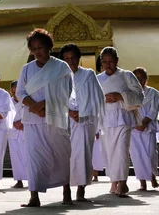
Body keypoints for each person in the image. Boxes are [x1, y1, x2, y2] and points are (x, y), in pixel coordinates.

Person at [16, 29, 73, 208]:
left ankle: (66, 190)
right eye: (33, 49)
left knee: (61, 153)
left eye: (40, 47)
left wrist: (46, 106)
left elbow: (66, 91)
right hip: (32, 119)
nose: (37, 52)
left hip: (55, 117)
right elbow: (20, 92)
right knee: (34, 156)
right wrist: (33, 106)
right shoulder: (27, 69)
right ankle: (34, 195)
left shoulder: (61, 66)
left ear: (49, 46)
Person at [59, 43, 105, 202]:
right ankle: (65, 190)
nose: (70, 61)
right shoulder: (59, 77)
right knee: (65, 155)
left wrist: (83, 113)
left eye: (73, 58)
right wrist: (68, 111)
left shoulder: (88, 75)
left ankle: (81, 190)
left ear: (79, 58)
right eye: (66, 59)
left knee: (83, 154)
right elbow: (55, 99)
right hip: (65, 121)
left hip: (86, 121)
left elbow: (97, 97)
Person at [97, 47, 144, 197]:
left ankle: (123, 182)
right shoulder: (98, 79)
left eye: (111, 61)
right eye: (104, 62)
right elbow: (93, 99)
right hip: (105, 119)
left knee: (122, 149)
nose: (107, 64)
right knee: (109, 152)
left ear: (117, 60)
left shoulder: (127, 75)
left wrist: (120, 96)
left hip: (123, 117)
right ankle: (114, 181)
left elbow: (139, 95)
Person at [129, 67, 159, 191]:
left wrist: (144, 123)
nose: (139, 81)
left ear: (146, 79)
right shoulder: (129, 93)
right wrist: (137, 124)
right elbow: (128, 110)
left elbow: (154, 110)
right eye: (136, 79)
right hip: (134, 129)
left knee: (151, 153)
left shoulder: (153, 93)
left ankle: (152, 176)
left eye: (142, 79)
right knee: (138, 156)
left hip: (148, 127)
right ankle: (142, 182)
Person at [8, 80, 28, 189]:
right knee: (15, 158)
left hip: (24, 130)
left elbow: (31, 113)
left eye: (17, 91)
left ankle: (31, 179)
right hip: (13, 132)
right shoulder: (8, 102)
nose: (15, 94)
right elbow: (5, 115)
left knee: (27, 156)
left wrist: (22, 122)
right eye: (13, 91)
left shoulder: (26, 101)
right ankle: (19, 180)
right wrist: (13, 123)